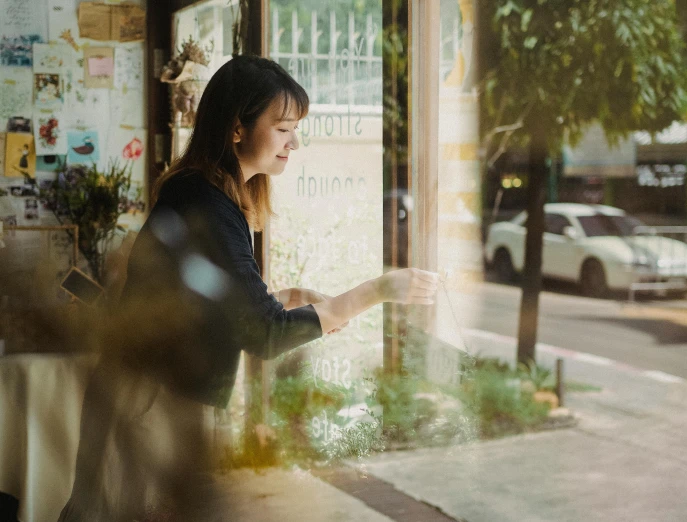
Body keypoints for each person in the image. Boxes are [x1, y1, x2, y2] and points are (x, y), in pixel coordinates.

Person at [58, 55, 437, 520]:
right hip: (153, 405)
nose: (294, 143)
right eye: (283, 128)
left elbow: (205, 308)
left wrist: (285, 298)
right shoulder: (209, 206)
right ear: (237, 128)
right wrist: (378, 290)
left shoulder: (201, 192)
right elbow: (265, 334)